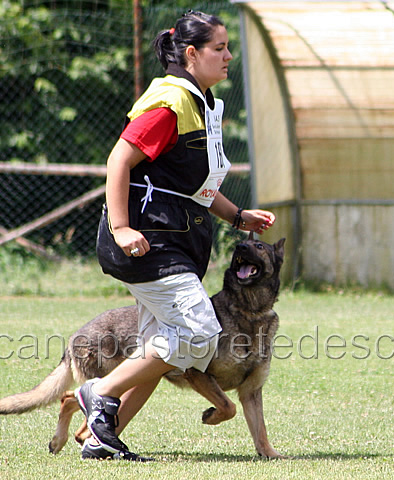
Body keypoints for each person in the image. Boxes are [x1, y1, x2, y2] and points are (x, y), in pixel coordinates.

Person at [75, 10, 276, 461]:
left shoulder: (199, 102)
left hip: (170, 242)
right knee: (200, 330)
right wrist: (121, 226)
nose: (228, 56)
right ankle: (100, 392)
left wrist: (237, 216)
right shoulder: (170, 103)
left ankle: (100, 439)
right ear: (191, 53)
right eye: (219, 48)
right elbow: (118, 162)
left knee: (157, 350)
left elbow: (196, 184)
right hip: (147, 242)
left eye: (227, 47)